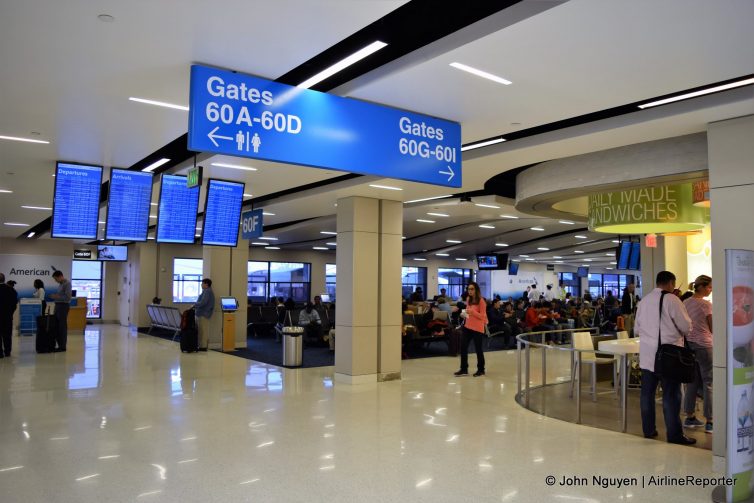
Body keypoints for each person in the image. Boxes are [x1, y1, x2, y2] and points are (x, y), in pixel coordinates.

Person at [636, 271, 694, 445]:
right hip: (668, 357)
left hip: (647, 356)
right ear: (670, 283)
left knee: (647, 394)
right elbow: (686, 327)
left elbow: (637, 329)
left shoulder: (644, 301)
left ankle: (648, 430)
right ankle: (675, 435)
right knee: (671, 395)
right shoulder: (672, 299)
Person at [682, 275, 713, 434]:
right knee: (709, 382)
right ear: (701, 287)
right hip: (705, 346)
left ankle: (690, 416)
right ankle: (710, 421)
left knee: (692, 381)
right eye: (709, 287)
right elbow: (712, 327)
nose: (711, 289)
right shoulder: (706, 305)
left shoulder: (685, 303)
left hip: (689, 346)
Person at [454, 282, 488, 377]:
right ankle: (464, 369)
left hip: (477, 328)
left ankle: (481, 369)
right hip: (467, 327)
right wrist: (464, 314)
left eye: (472, 289)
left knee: (478, 349)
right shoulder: (468, 299)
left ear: (476, 290)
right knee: (463, 347)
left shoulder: (481, 301)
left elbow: (482, 316)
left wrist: (473, 312)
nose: (470, 291)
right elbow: (468, 312)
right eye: (469, 289)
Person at [50, 270, 72, 352]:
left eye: (56, 279)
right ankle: (59, 345)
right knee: (57, 326)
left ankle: (62, 346)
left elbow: (68, 297)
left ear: (60, 276)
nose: (55, 281)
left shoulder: (67, 284)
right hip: (58, 306)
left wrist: (56, 297)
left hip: (63, 306)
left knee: (62, 326)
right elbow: (60, 295)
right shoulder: (60, 284)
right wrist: (56, 297)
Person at [0, 273, 19, 358]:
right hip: (7, 317)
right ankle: (7, 352)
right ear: (4, 279)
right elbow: (14, 305)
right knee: (7, 334)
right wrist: (10, 313)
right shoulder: (12, 290)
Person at [194, 278, 215, 351]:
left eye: (202, 283)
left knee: (202, 331)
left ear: (206, 284)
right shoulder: (205, 291)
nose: (201, 285)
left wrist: (194, 304)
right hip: (201, 313)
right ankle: (200, 345)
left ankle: (203, 346)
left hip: (203, 314)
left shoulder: (207, 292)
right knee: (200, 331)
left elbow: (203, 302)